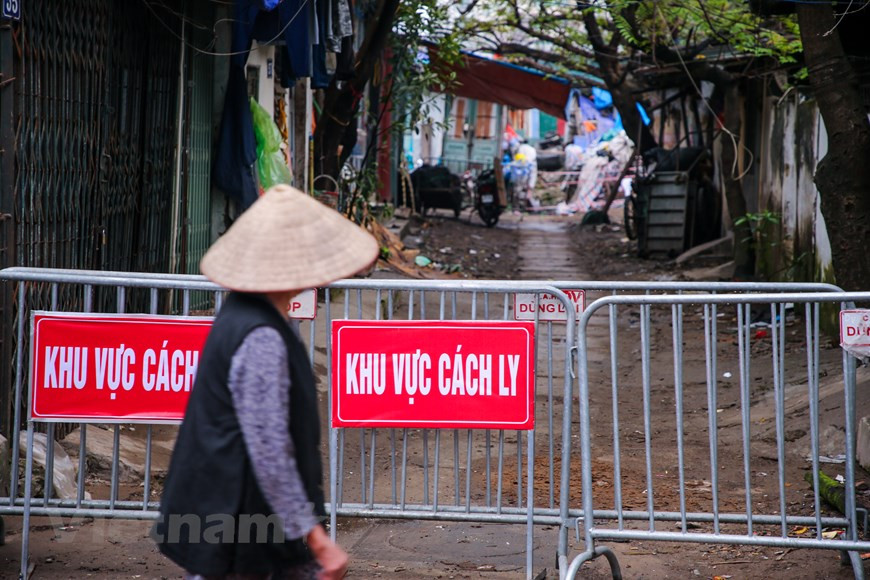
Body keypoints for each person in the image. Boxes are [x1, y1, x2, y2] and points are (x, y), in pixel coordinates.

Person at [153, 184, 379, 580]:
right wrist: (316, 539)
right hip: (237, 520)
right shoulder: (261, 336)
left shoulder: (252, 317)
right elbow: (269, 448)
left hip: (233, 515)